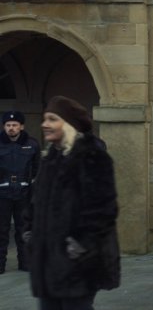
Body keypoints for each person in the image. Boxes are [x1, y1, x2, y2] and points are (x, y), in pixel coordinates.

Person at [24, 96, 120, 309]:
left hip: (77, 264)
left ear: (69, 124)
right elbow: (37, 201)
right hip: (48, 263)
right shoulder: (51, 159)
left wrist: (81, 245)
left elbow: (104, 210)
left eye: (52, 119)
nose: (44, 124)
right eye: (44, 119)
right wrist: (30, 231)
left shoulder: (92, 157)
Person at [0, 111, 39, 274]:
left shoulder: (32, 144)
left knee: (24, 229)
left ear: (21, 126)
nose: (11, 128)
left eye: (15, 125)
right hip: (2, 193)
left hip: (24, 193)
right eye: (8, 125)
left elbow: (38, 168)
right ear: (4, 127)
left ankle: (25, 262)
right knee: (1, 230)